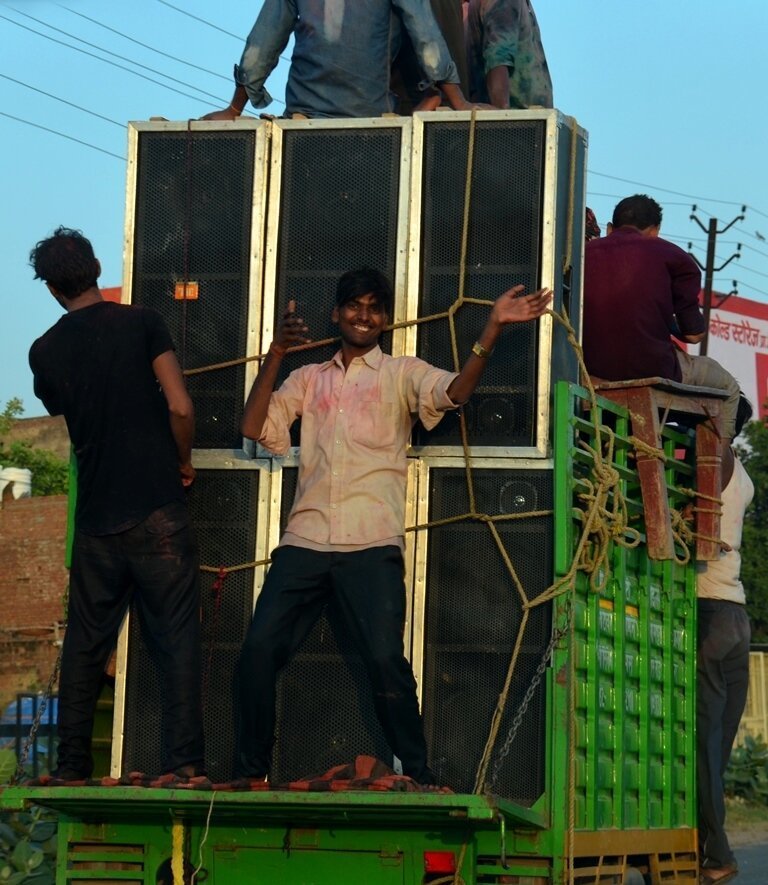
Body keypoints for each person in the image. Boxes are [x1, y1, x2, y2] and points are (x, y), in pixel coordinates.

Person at [234, 267, 552, 783]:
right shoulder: (307, 377)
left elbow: (455, 392)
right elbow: (253, 427)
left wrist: (492, 328)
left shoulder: (401, 373)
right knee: (257, 652)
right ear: (336, 313)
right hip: (306, 540)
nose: (364, 316)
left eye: (374, 308)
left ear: (384, 319)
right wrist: (275, 354)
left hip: (371, 542)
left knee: (386, 662)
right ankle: (250, 773)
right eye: (354, 306)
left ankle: (419, 774)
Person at [28, 227, 204, 783]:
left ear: (53, 289)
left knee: (85, 645)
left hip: (97, 522)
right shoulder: (142, 322)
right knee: (175, 638)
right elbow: (179, 406)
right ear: (98, 267)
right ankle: (183, 765)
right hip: (157, 510)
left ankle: (72, 766)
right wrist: (182, 462)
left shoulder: (43, 351)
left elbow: (65, 410)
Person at [582, 194, 741, 442]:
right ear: (655, 230)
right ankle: (718, 464)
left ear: (611, 228)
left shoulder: (581, 254)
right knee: (729, 387)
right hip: (654, 368)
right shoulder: (676, 258)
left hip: (591, 368)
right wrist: (669, 320)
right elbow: (693, 335)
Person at [203, 0, 475, 122]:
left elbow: (262, 43)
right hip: (369, 119)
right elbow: (426, 36)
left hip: (302, 118)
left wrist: (235, 109)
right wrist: (458, 101)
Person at [696, 394, 754, 885]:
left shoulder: (710, 464)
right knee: (718, 748)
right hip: (736, 615)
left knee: (703, 745)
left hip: (710, 612)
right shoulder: (741, 474)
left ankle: (717, 854)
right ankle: (707, 848)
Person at [464, 0, 553, 109]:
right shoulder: (505, 2)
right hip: (516, 119)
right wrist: (503, 116)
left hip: (529, 119)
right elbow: (497, 60)